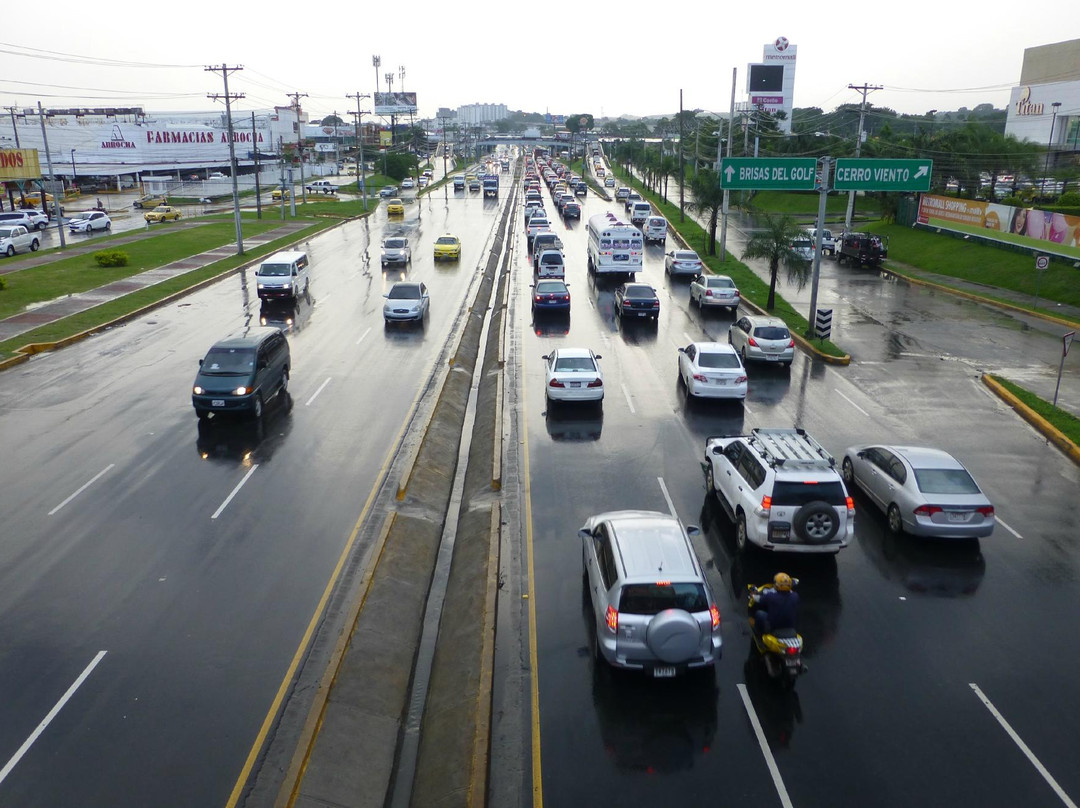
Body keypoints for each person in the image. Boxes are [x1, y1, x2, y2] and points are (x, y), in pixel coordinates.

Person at [750, 572, 800, 638]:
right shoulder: (795, 596)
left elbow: (758, 599)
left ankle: (759, 632)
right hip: (790, 626)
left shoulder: (770, 596)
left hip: (774, 627)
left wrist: (752, 595)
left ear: (776, 585)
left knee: (759, 613)